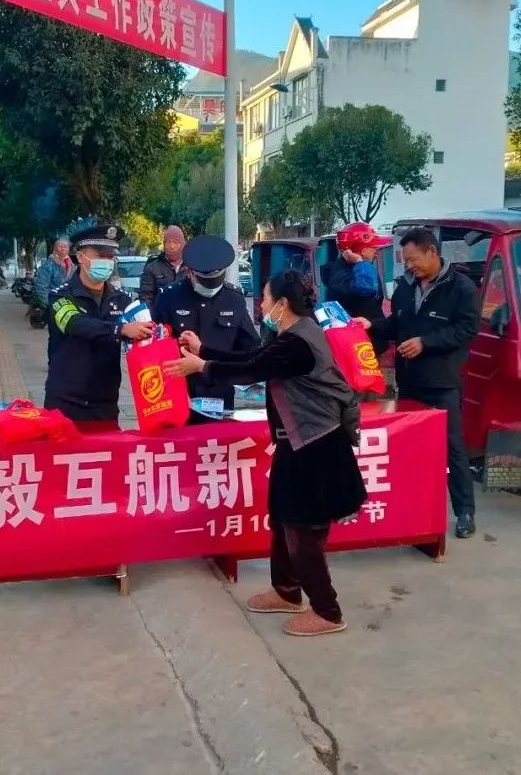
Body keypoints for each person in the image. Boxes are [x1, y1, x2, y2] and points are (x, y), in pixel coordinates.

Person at [165, 270, 366, 637]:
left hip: (317, 447)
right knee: (282, 519)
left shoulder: (299, 343)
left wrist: (202, 366)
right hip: (295, 442)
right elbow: (255, 356)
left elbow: (250, 370)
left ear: (283, 304)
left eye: (266, 298)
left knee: (304, 532)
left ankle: (327, 611)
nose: (261, 305)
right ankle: (287, 591)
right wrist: (204, 350)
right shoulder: (291, 335)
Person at [357, 227, 479, 539]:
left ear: (432, 252)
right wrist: (371, 325)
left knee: (452, 448)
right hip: (409, 382)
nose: (409, 266)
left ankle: (464, 512)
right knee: (409, 446)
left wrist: (426, 342)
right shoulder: (405, 287)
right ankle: (410, 508)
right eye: (406, 261)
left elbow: (466, 330)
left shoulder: (461, 288)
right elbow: (396, 324)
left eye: (413, 260)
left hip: (441, 383)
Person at [44, 224, 154, 431]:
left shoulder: (122, 300)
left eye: (110, 257)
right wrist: (120, 329)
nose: (106, 261)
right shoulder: (60, 296)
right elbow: (74, 323)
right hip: (66, 403)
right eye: (100, 255)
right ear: (80, 256)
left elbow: (144, 337)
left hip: (105, 404)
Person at [153, 234, 260, 416]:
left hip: (220, 396)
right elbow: (154, 348)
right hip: (179, 396)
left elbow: (250, 350)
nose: (210, 287)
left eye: (215, 281)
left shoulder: (234, 299)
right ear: (190, 272)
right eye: (205, 281)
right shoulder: (169, 297)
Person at [321, 222, 391, 357]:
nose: (376, 252)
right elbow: (366, 287)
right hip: (355, 348)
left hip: (368, 343)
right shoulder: (340, 274)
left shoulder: (362, 269)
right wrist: (360, 262)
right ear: (363, 251)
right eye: (373, 248)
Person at [139, 225, 188, 309]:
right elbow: (146, 298)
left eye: (176, 242)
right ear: (164, 244)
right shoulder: (152, 268)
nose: (172, 246)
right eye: (168, 242)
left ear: (182, 244)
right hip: (160, 315)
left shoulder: (191, 267)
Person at [34, 238, 75, 307]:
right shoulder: (48, 266)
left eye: (65, 246)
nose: (63, 248)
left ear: (68, 249)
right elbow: (41, 287)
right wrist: (50, 304)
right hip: (52, 302)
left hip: (67, 303)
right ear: (55, 248)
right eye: (60, 246)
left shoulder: (71, 265)